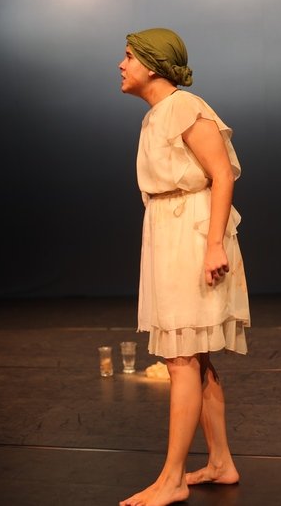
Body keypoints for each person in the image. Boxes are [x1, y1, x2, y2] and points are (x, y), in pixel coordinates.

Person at [117, 28, 251, 506]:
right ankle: (220, 462)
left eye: (129, 56)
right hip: (168, 230)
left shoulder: (185, 106)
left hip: (191, 234)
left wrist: (213, 245)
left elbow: (222, 174)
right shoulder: (156, 115)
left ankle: (172, 478)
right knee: (196, 356)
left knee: (182, 358)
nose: (121, 65)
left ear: (153, 65)